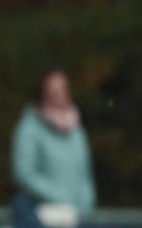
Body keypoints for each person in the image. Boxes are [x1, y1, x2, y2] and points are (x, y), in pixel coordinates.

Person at [11, 70, 96, 217]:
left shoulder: (76, 128)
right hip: (41, 212)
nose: (60, 93)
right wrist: (59, 197)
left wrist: (86, 202)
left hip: (78, 213)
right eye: (54, 89)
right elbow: (24, 172)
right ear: (43, 93)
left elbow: (85, 172)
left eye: (63, 88)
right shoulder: (30, 127)